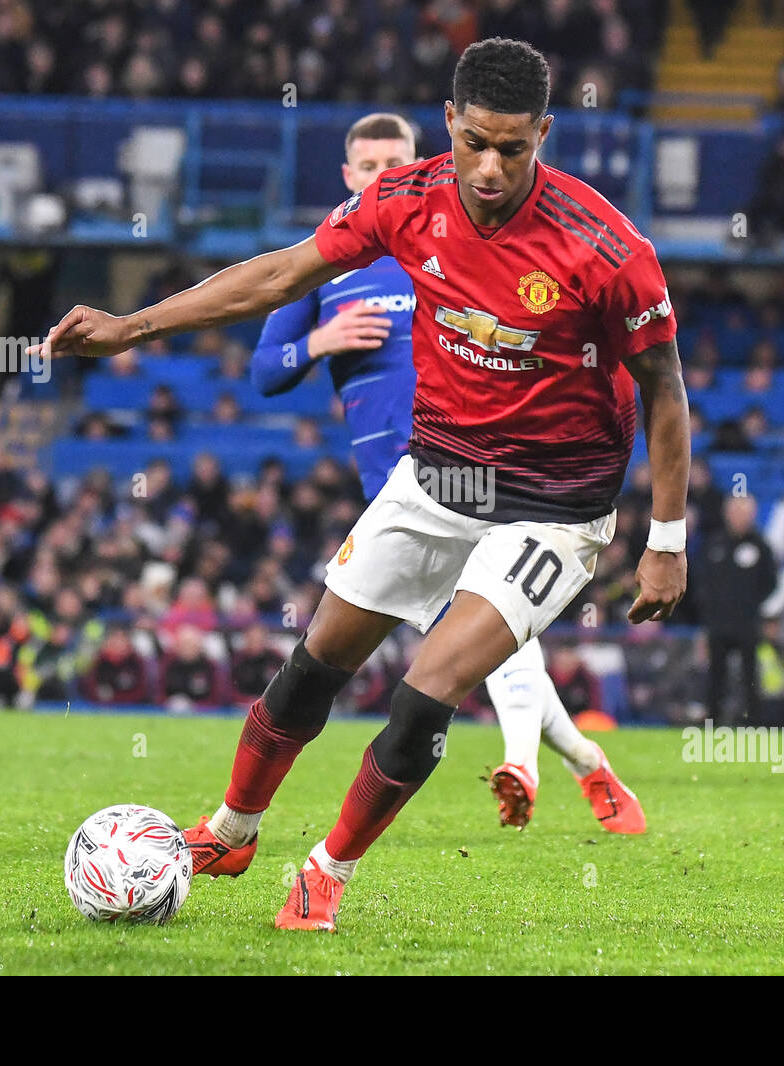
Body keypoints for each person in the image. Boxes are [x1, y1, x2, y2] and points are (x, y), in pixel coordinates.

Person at [37, 38, 688, 932]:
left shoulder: (607, 249)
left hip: (553, 506)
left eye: (515, 147)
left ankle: (327, 873)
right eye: (475, 143)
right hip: (433, 477)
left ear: (544, 131)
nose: (491, 167)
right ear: (449, 122)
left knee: (428, 688)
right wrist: (130, 326)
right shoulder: (404, 200)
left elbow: (666, 389)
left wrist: (665, 540)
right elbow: (276, 275)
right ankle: (231, 828)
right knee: (314, 665)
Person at [251, 111, 645, 833]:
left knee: (479, 647)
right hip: (405, 493)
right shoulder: (327, 267)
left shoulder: (444, 241)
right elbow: (263, 372)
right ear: (348, 178)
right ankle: (586, 762)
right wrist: (318, 341)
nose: (381, 178)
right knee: (473, 651)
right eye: (366, 168)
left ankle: (522, 761)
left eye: (393, 163)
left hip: (500, 480)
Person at [694, 495, 777, 725]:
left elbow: (771, 581)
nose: (740, 518)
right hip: (718, 623)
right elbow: (702, 581)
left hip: (747, 623)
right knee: (716, 675)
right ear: (727, 514)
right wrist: (710, 611)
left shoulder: (761, 546)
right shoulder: (714, 544)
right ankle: (713, 719)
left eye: (745, 513)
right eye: (736, 512)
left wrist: (750, 604)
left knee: (750, 675)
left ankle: (753, 721)